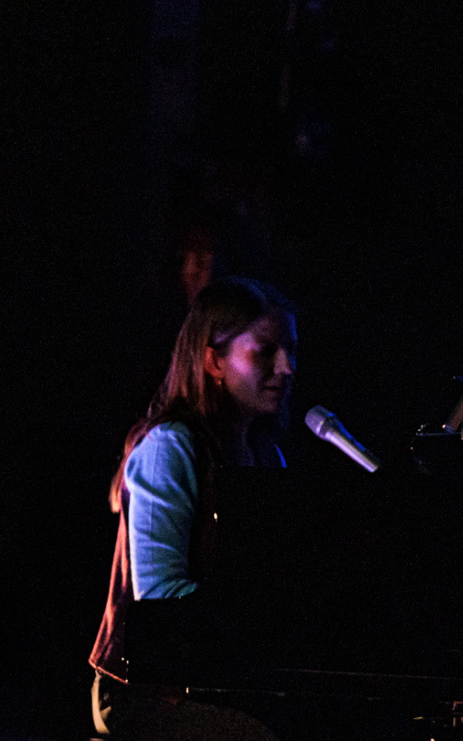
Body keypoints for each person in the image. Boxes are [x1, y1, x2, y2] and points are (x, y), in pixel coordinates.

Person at [89, 276, 297, 738]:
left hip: (219, 677)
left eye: (291, 350)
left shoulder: (267, 455)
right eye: (265, 351)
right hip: (143, 690)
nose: (285, 367)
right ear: (214, 361)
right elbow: (160, 595)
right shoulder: (171, 448)